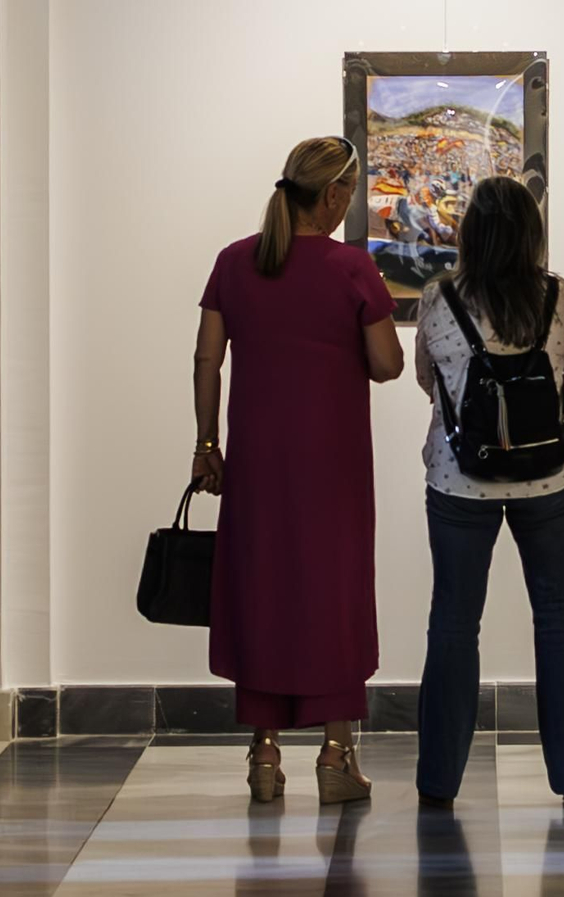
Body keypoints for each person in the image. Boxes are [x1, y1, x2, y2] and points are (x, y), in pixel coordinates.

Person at [190, 136, 406, 805]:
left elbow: (206, 359)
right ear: (335, 196)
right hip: (333, 469)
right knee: (331, 596)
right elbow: (387, 364)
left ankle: (262, 755)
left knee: (260, 592)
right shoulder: (353, 269)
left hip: (256, 463)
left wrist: (206, 444)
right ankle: (336, 755)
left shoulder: (234, 261)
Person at [413, 176, 564, 810]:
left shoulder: (439, 298)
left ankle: (439, 782)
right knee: (560, 619)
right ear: (531, 234)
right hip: (548, 474)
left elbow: (428, 380)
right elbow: (557, 365)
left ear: (469, 233)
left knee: (454, 623)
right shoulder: (556, 294)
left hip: (459, 475)